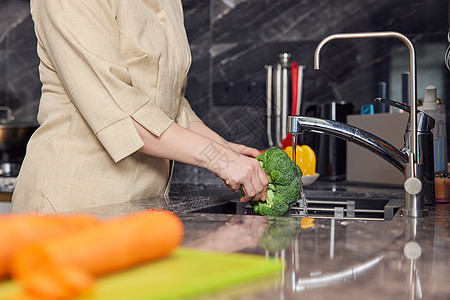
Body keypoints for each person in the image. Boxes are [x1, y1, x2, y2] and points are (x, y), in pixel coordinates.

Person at [12, 0, 268, 214]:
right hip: (70, 206)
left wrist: (228, 151)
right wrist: (219, 159)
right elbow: (122, 113)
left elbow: (171, 105)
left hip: (141, 208)